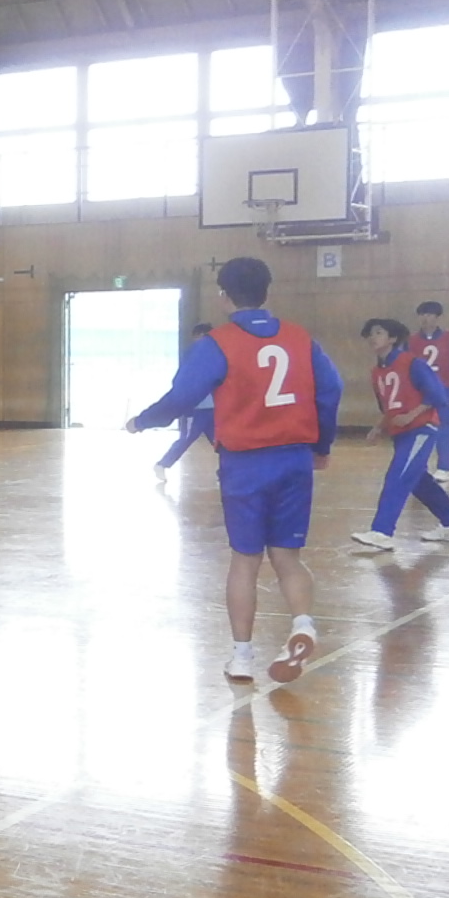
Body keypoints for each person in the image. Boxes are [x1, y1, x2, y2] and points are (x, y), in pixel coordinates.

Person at [127, 257, 339, 684]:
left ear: (223, 296)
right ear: (267, 291)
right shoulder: (300, 338)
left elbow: (181, 397)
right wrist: (321, 445)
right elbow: (331, 389)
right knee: (287, 556)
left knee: (245, 560)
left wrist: (142, 421)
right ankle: (303, 625)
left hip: (246, 463)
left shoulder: (217, 343)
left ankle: (242, 657)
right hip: (294, 458)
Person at [350, 318, 449, 550]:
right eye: (370, 334)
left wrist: (411, 415)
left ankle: (382, 532)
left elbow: (437, 396)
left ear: (393, 338)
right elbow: (388, 407)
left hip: (421, 430)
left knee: (398, 475)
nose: (373, 337)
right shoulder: (377, 372)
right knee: (418, 480)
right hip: (400, 433)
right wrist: (378, 427)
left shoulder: (413, 363)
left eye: (379, 332)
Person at [153, 323, 218, 482]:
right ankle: (162, 464)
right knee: (186, 439)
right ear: (197, 337)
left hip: (212, 407)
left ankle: (225, 472)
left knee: (219, 441)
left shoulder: (214, 355)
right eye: (205, 337)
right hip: (194, 408)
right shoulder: (191, 356)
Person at [413, 302, 449, 482]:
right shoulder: (411, 341)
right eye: (422, 314)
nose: (425, 318)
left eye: (429, 314)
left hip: (444, 392)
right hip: (420, 394)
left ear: (437, 317)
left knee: (445, 429)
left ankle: (443, 467)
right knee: (420, 430)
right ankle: (420, 468)